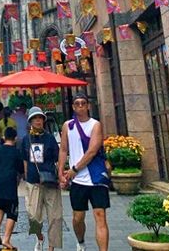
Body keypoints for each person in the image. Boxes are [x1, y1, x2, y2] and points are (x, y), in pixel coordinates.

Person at [59, 93, 110, 251]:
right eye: (77, 103)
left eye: (83, 103)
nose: (80, 106)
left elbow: (92, 151)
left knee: (100, 215)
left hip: (96, 177)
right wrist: (61, 172)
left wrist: (74, 169)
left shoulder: (95, 125)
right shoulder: (68, 126)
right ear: (73, 107)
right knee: (77, 217)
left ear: (88, 106)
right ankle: (80, 241)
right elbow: (63, 149)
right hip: (78, 181)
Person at [21, 106, 62, 251]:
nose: (38, 121)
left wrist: (61, 176)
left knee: (55, 217)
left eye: (40, 118)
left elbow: (58, 159)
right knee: (33, 216)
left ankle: (51, 247)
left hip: (50, 181)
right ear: (30, 121)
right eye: (35, 119)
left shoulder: (50, 138)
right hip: (33, 182)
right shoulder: (26, 140)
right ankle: (39, 237)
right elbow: (25, 160)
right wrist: (26, 178)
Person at [0, 126, 21, 250]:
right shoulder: (16, 152)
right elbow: (20, 171)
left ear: (3, 138)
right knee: (12, 212)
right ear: (15, 138)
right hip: (10, 183)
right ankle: (6, 240)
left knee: (0, 206)